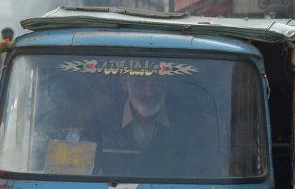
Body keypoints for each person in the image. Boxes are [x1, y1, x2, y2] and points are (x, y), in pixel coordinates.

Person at [86, 73, 218, 178]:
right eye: (140, 82)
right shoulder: (101, 121)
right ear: (124, 83)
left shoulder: (190, 121)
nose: (150, 92)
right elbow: (86, 174)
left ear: (166, 83)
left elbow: (203, 174)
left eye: (157, 81)